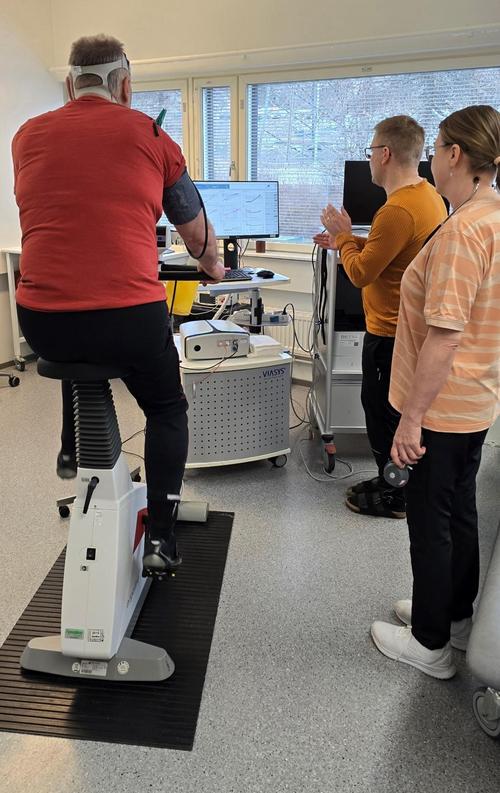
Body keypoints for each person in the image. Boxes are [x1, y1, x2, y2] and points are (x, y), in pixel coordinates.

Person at [12, 34, 224, 576]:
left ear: (70, 86)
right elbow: (196, 234)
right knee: (166, 408)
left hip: (41, 322)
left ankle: (70, 448)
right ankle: (162, 539)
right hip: (127, 320)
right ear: (125, 86)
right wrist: (214, 266)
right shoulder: (150, 134)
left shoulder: (26, 136)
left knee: (78, 345)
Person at [371, 105, 500, 679]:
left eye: (436, 149)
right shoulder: (490, 214)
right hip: (475, 399)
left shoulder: (463, 232)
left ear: (455, 154)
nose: (430, 161)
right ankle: (453, 616)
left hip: (442, 407)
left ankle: (429, 644)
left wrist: (411, 418)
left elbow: (443, 337)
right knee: (459, 512)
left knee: (430, 522)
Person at [315, 116, 447, 519]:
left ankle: (396, 496)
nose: (370, 158)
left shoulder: (396, 210)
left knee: (382, 415)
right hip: (408, 331)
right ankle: (395, 482)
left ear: (385, 154)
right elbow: (390, 249)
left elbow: (360, 273)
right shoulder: (428, 195)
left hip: (389, 334)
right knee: (390, 412)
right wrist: (348, 241)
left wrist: (342, 235)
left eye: (371, 150)